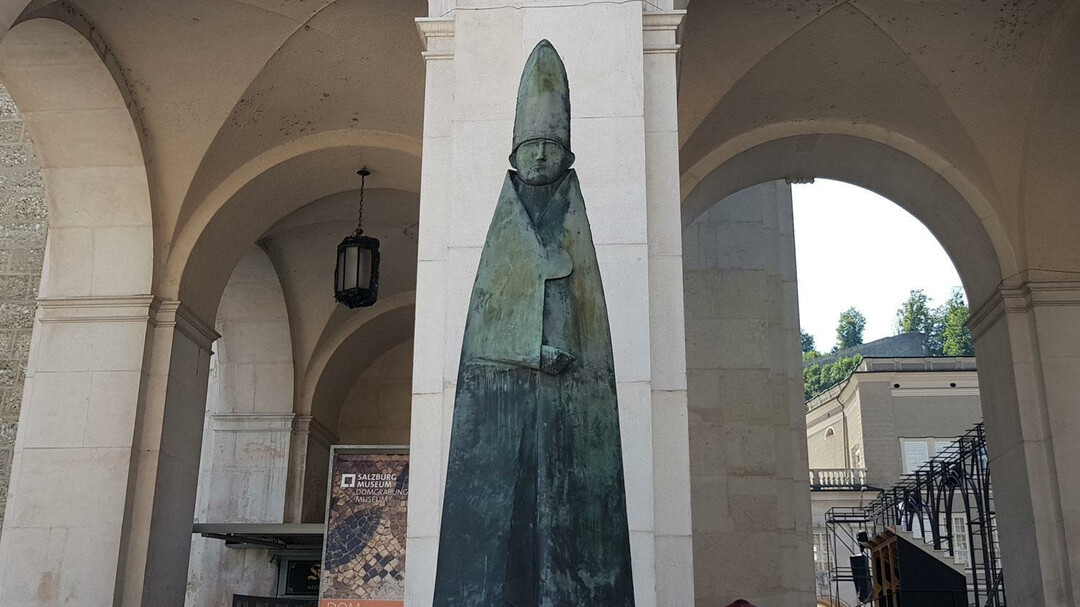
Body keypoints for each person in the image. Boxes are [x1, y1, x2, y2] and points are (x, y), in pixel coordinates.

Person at [432, 40, 635, 607]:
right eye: (531, 146)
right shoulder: (503, 235)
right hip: (505, 404)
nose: (541, 157)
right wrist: (529, 350)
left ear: (567, 156)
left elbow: (592, 327)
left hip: (572, 410)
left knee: (575, 527)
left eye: (550, 146)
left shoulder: (576, 224)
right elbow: (482, 331)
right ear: (514, 155)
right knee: (501, 528)